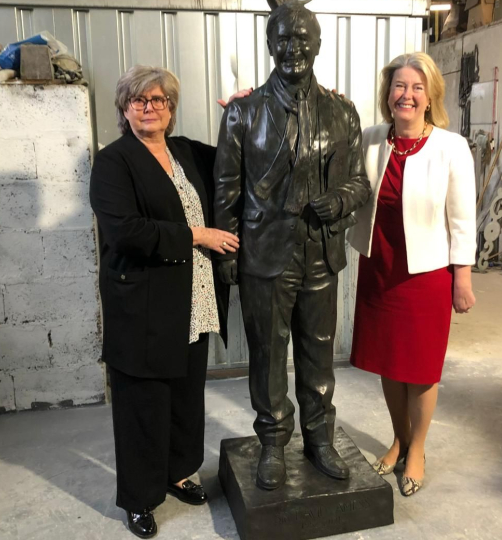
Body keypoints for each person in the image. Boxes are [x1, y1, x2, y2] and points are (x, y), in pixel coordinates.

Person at [213, 1, 371, 491]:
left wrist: (342, 198)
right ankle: (272, 444)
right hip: (266, 254)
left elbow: (362, 181)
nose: (293, 48)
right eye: (283, 39)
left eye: (303, 39)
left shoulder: (342, 111)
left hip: (320, 253)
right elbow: (226, 190)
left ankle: (319, 438)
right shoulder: (243, 112)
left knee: (318, 351)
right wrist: (229, 256)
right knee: (267, 354)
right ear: (268, 46)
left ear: (319, 46)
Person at [89, 65, 245, 539]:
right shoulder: (114, 161)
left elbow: (239, 162)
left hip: (193, 300)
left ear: (171, 108)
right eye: (139, 101)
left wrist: (243, 114)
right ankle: (139, 498)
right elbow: (124, 231)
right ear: (124, 108)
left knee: (185, 395)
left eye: (158, 100)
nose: (149, 107)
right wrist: (197, 234)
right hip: (144, 303)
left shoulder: (188, 153)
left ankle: (179, 472)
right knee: (143, 403)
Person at [347, 52, 477, 498]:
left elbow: (462, 220)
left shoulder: (450, 147)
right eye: (400, 86)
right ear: (389, 94)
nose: (407, 94)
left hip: (425, 274)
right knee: (389, 362)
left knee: (420, 368)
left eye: (417, 87)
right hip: (379, 266)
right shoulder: (369, 140)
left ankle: (417, 448)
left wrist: (463, 277)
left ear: (430, 96)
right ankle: (398, 437)